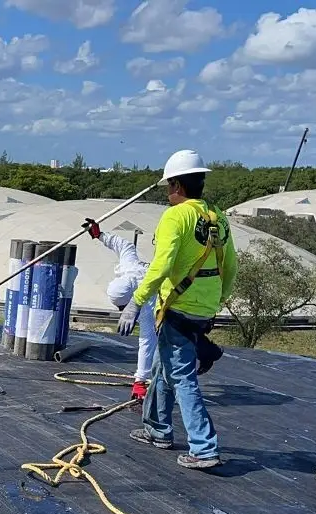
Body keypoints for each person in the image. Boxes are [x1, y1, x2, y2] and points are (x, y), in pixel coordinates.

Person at [118, 149, 237, 470]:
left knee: (182, 377)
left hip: (177, 307)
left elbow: (161, 266)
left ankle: (204, 447)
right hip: (204, 306)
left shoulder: (175, 216)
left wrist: (135, 302)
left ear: (178, 187)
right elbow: (231, 265)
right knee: (162, 367)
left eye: (169, 188)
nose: (168, 194)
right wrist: (216, 302)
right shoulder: (217, 217)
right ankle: (157, 429)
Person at [87, 221, 156, 400]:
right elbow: (123, 245)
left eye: (122, 308)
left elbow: (147, 342)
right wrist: (100, 235)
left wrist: (140, 381)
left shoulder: (148, 303)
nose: (122, 311)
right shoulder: (128, 267)